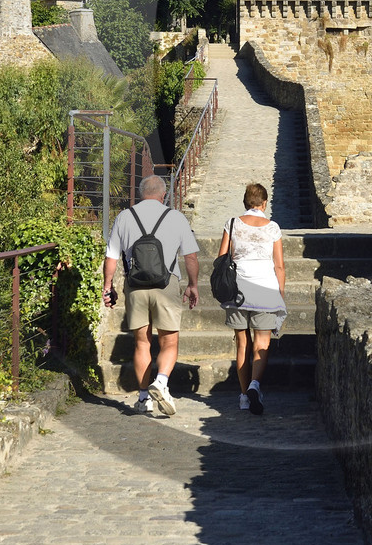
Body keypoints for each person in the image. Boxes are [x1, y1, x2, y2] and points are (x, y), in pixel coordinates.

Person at [103, 175, 200, 416]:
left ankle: (144, 397)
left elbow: (111, 257)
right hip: (166, 285)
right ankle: (162, 381)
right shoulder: (176, 217)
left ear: (140, 194)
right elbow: (190, 256)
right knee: (169, 342)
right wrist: (192, 285)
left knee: (142, 343)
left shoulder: (124, 217)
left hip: (135, 286)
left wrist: (108, 286)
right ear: (163, 194)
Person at [217, 183, 286, 415]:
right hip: (265, 288)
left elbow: (221, 257)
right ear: (264, 203)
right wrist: (280, 292)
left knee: (242, 343)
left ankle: (244, 396)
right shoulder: (273, 227)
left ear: (245, 202)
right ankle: (255, 385)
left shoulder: (232, 223)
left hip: (237, 289)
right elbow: (279, 265)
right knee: (262, 342)